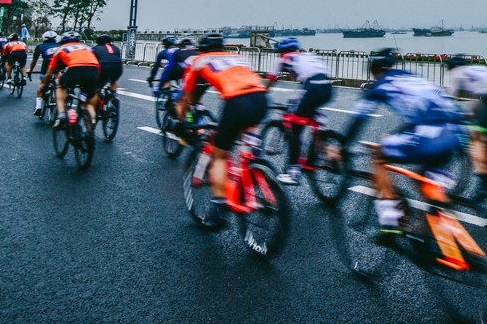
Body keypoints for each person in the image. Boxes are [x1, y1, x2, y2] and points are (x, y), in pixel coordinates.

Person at [347, 48, 462, 234]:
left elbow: (358, 120)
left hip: (429, 135)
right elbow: (421, 116)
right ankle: (437, 219)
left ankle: (390, 220)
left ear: (374, 70)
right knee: (423, 176)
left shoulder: (380, 85)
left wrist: (342, 147)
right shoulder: (410, 76)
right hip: (453, 132)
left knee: (378, 155)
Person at [173, 34, 268, 228]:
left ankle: (219, 205)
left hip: (236, 102)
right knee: (244, 142)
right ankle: (252, 157)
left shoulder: (199, 60)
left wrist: (181, 121)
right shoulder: (237, 57)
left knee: (220, 154)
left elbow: (185, 98)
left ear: (201, 49)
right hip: (260, 98)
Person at [265, 37, 334, 185]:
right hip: (327, 87)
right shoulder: (308, 55)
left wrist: (262, 94)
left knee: (293, 126)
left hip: (312, 88)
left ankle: (293, 171)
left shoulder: (283, 58)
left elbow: (271, 79)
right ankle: (324, 153)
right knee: (312, 116)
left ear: (281, 51)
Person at [442, 55, 487, 187]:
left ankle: (484, 176)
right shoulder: (473, 69)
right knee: (482, 125)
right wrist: (468, 115)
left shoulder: (455, 73)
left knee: (476, 134)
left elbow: (448, 99)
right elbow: (478, 105)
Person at [40, 34, 101, 128]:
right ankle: (90, 129)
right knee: (88, 102)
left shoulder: (61, 48)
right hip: (93, 70)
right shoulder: (87, 48)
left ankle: (61, 114)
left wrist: (44, 84)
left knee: (60, 86)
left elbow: (49, 72)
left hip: (75, 69)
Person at [27, 30, 59, 117]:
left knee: (42, 84)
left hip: (47, 65)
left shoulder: (40, 46)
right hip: (59, 65)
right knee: (59, 81)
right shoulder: (61, 46)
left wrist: (30, 70)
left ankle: (38, 107)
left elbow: (34, 61)